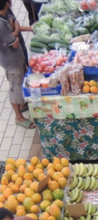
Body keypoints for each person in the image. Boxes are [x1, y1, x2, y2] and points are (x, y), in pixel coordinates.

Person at [0, 0, 35, 129]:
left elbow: (16, 28)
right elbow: (14, 42)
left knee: (21, 81)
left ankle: (23, 104)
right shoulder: (1, 25)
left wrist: (30, 28)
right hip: (11, 62)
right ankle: (18, 117)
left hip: (17, 57)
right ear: (7, 4)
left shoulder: (5, 14)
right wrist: (15, 31)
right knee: (15, 88)